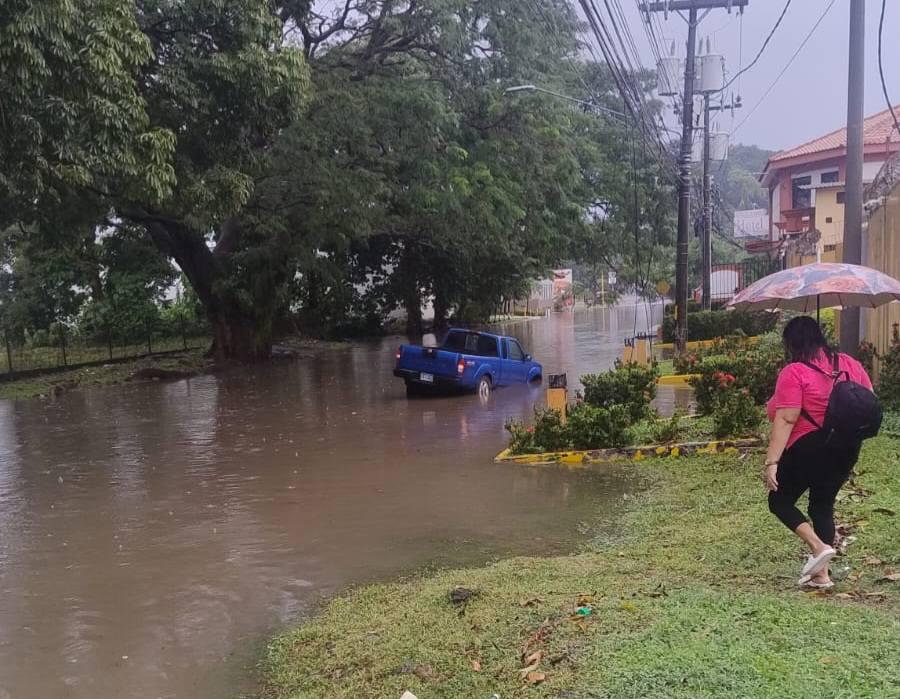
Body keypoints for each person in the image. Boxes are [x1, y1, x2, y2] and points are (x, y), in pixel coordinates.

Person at [764, 316, 874, 589]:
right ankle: (822, 575)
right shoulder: (850, 364)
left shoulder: (794, 372)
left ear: (792, 343)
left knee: (779, 501)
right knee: (821, 506)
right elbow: (869, 400)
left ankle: (817, 546)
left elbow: (787, 419)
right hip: (847, 447)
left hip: (809, 447)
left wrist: (772, 461)